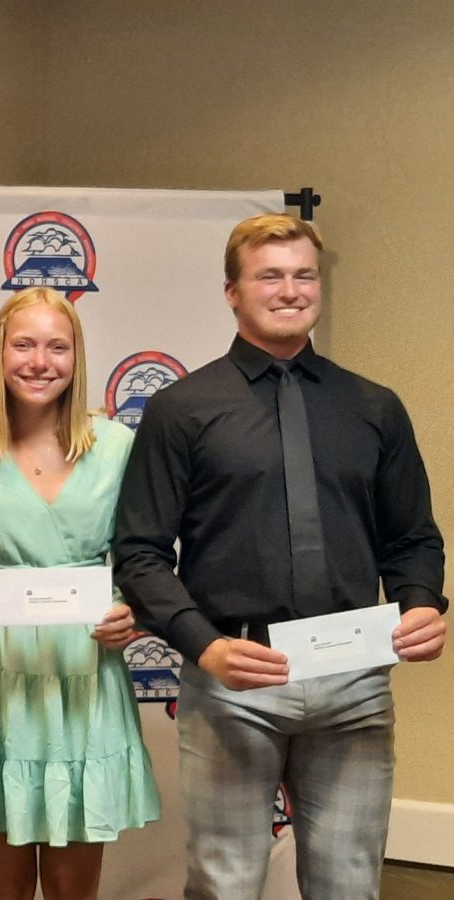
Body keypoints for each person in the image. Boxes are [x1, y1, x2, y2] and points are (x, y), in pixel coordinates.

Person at [114, 213, 447, 900]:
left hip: (353, 677)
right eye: (270, 276)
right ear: (232, 292)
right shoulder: (181, 409)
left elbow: (413, 536)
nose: (290, 291)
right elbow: (140, 552)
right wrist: (205, 647)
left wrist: (420, 603)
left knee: (348, 883)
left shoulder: (375, 407)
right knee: (225, 884)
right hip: (233, 678)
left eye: (304, 276)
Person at [0, 287, 160, 900]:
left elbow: (143, 559)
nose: (39, 362)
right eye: (23, 345)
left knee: (72, 891)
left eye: (58, 347)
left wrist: (130, 606)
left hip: (84, 672)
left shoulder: (117, 447)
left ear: (78, 357)